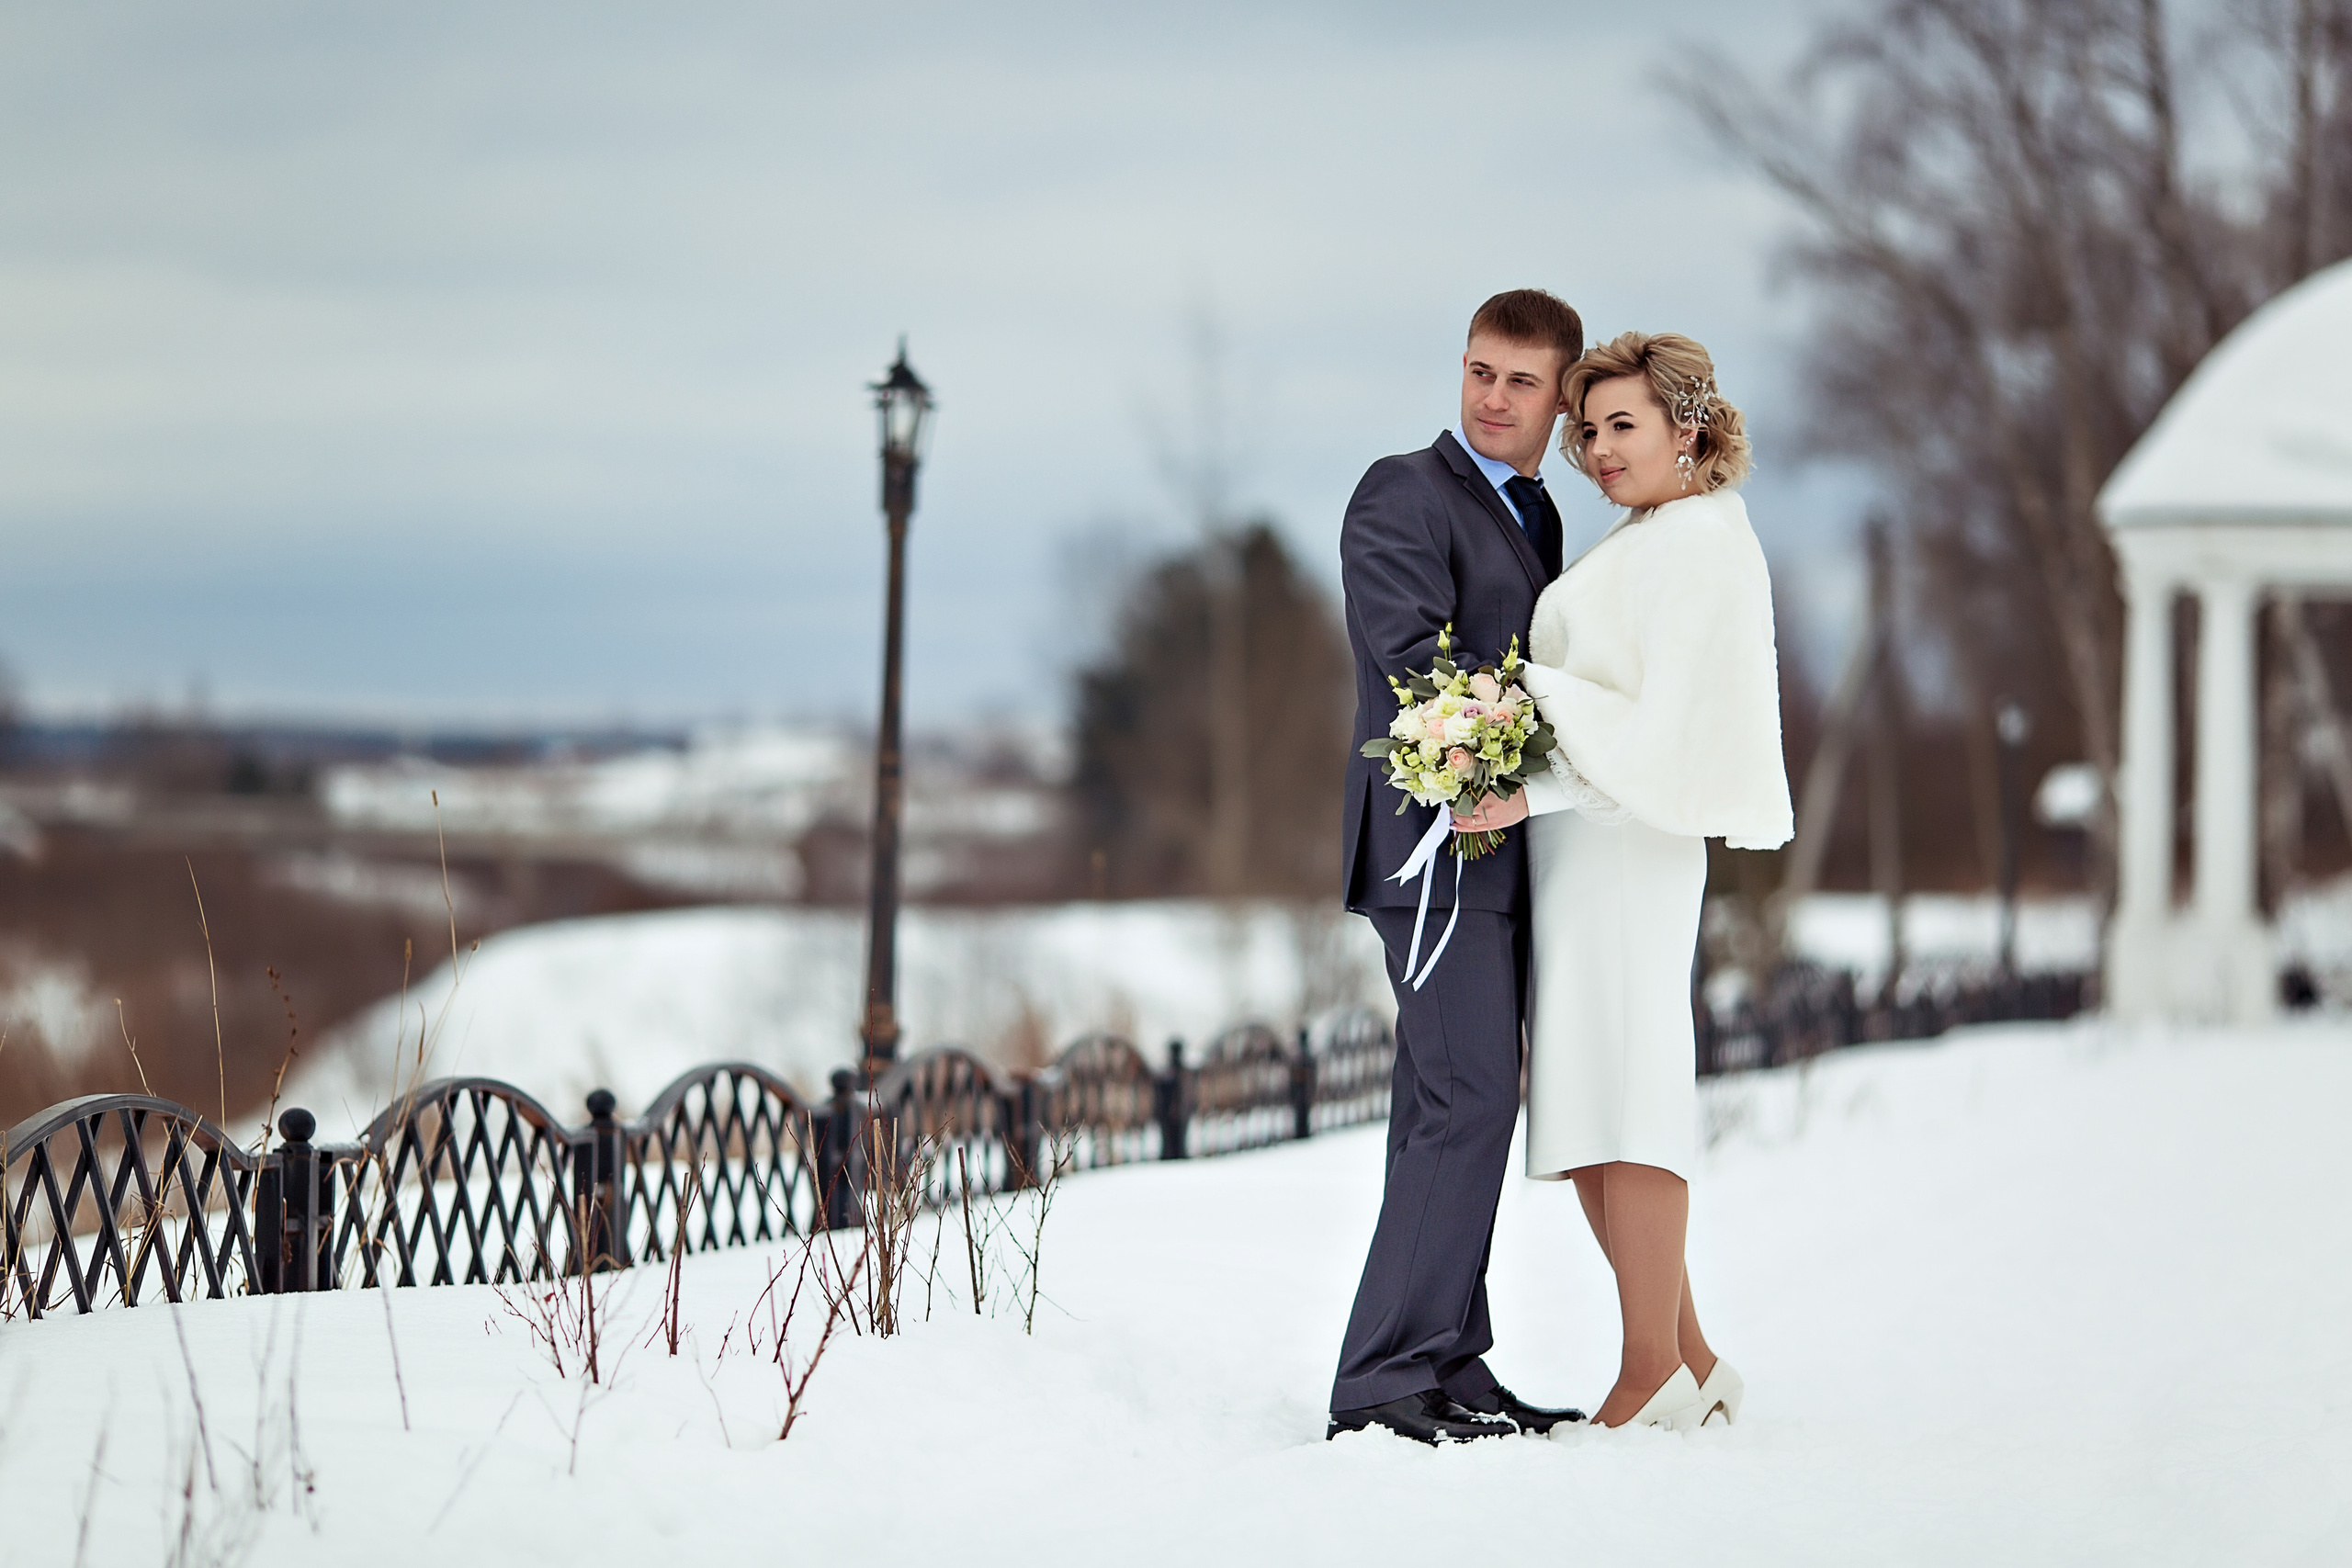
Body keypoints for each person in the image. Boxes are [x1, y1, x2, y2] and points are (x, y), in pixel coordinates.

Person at [1453, 331, 1792, 1429]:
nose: (1597, 450)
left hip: (1627, 851)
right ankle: (1690, 1362)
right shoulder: (1650, 536)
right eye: (1588, 430)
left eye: (1623, 427)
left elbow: (1665, 739)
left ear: (1686, 428)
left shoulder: (1698, 542)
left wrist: (1528, 782)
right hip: (1586, 856)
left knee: (1628, 1093)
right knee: (1592, 1098)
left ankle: (1646, 1366)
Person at [1327, 288, 1588, 1445]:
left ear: (1560, 396)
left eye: (1520, 381)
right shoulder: (1403, 490)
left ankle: (1446, 1360)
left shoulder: (1538, 516)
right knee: (1463, 1099)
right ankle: (1384, 1378)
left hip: (1504, 851)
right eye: (1481, 371)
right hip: (1432, 848)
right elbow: (1406, 659)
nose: (1493, 397)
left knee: (1458, 1104)